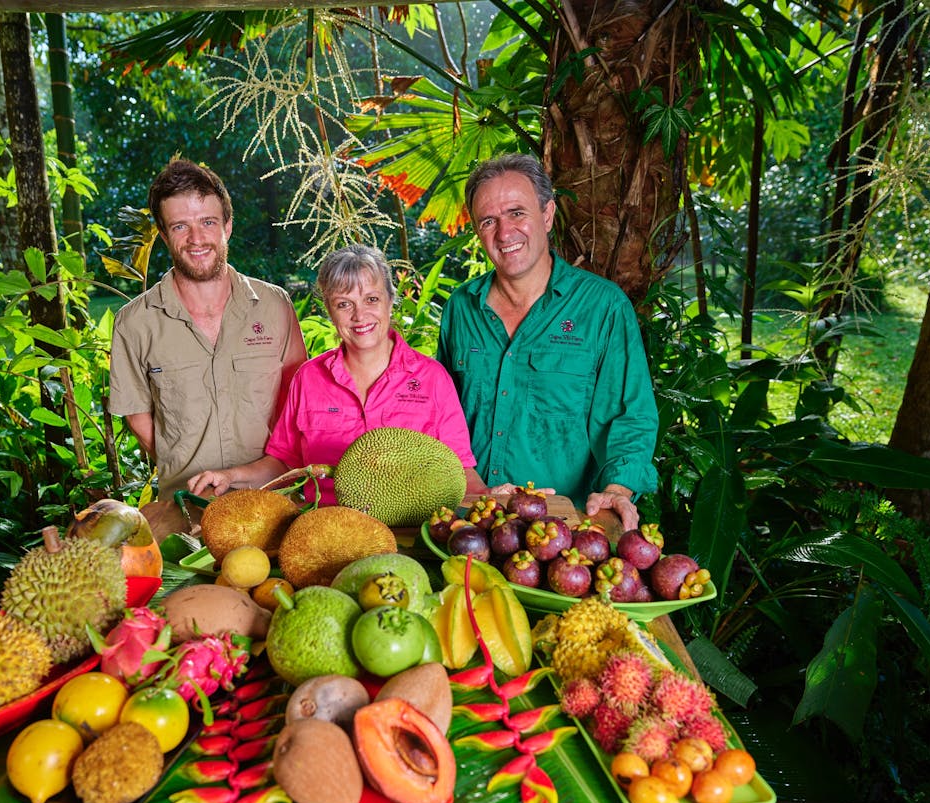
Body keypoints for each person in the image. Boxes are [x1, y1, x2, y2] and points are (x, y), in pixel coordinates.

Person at [436, 153, 658, 531]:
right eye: (489, 221)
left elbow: (629, 416)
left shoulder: (602, 307)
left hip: (565, 530)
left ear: (548, 214)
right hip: (469, 523)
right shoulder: (462, 307)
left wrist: (617, 490)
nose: (504, 233)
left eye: (517, 213)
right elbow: (440, 416)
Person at [188, 244, 487, 501]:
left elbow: (459, 469)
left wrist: (492, 501)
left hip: (409, 538)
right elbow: (283, 464)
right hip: (324, 531)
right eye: (344, 304)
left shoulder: (432, 379)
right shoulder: (309, 379)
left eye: (372, 299)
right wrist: (231, 476)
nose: (360, 316)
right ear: (329, 312)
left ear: (390, 302)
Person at [108, 158, 307, 497]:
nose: (196, 239)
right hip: (187, 508)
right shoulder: (134, 323)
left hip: (274, 499)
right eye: (180, 226)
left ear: (227, 226)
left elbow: (299, 400)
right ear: (164, 234)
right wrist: (185, 461)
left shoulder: (276, 307)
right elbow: (139, 419)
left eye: (208, 222)